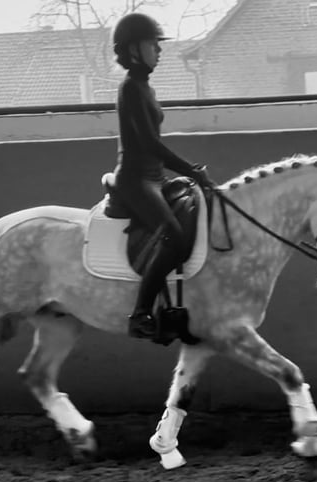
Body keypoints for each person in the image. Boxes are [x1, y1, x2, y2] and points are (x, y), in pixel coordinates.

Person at [111, 12, 213, 339]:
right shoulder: (130, 89)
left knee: (196, 211)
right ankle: (140, 314)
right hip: (136, 180)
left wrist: (186, 175)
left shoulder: (145, 88)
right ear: (133, 49)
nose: (159, 49)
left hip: (154, 177)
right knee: (173, 237)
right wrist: (190, 169)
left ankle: (175, 310)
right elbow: (149, 143)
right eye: (152, 44)